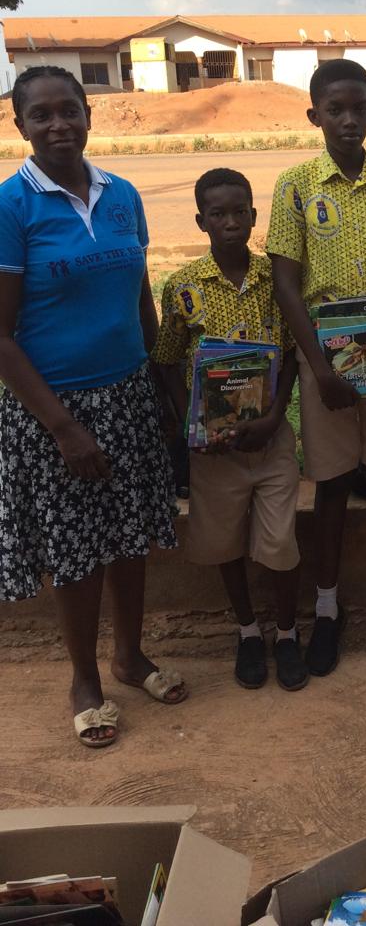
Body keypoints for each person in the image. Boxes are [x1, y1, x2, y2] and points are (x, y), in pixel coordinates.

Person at [0, 66, 185, 748]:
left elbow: (141, 297)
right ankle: (84, 681)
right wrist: (63, 428)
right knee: (76, 552)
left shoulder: (123, 195)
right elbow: (1, 335)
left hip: (128, 395)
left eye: (68, 110)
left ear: (88, 114)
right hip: (54, 410)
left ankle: (130, 657)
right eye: (41, 115)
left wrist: (163, 387)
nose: (58, 125)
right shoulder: (11, 207)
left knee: (131, 537)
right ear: (20, 125)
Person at [266, 59, 366, 676]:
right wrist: (320, 368)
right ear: (315, 116)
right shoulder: (296, 185)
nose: (349, 120)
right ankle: (327, 611)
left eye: (359, 108)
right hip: (325, 362)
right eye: (335, 110)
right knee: (331, 485)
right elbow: (286, 283)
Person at [152, 168, 306, 692]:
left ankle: (287, 633)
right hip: (214, 448)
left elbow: (292, 352)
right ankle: (248, 632)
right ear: (201, 221)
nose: (231, 222)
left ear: (254, 216)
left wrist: (276, 415)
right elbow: (167, 358)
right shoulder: (183, 287)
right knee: (224, 543)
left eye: (240, 211)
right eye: (218, 214)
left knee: (280, 543)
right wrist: (190, 422)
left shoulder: (276, 280)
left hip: (270, 437)